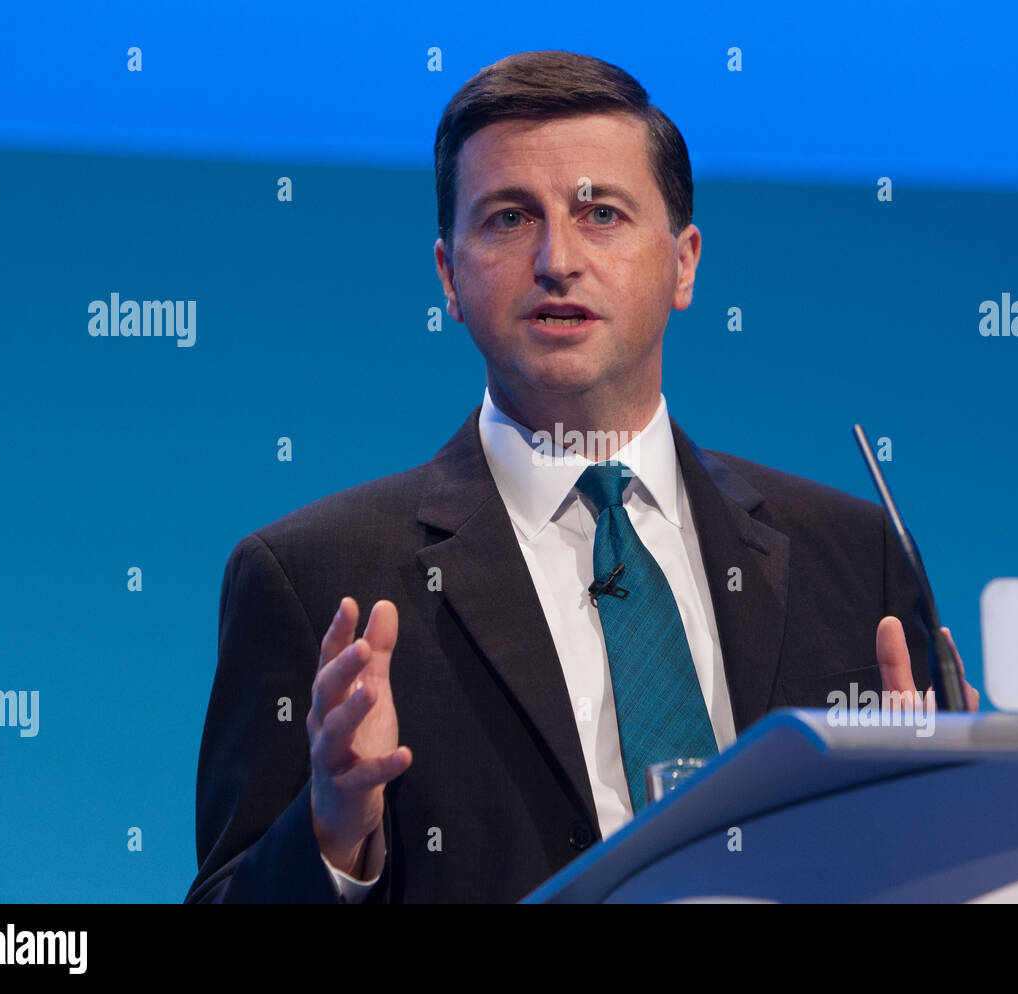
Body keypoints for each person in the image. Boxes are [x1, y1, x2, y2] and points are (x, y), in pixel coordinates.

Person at [185, 49, 977, 905]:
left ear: (684, 263)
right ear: (449, 276)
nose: (557, 258)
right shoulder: (315, 579)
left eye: (600, 213)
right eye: (509, 218)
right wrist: (333, 834)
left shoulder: (856, 561)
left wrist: (958, 816)